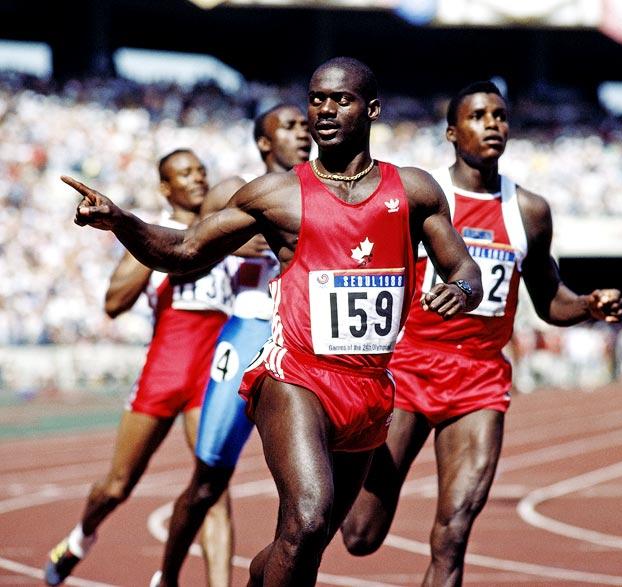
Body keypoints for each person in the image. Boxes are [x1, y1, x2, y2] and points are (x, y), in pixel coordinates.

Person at [62, 57, 484, 587]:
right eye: (316, 99)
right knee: (307, 519)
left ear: (372, 110)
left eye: (341, 100)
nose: (324, 110)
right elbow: (187, 248)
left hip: (371, 386)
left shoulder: (416, 191)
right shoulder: (279, 196)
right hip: (295, 378)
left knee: (308, 541)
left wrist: (462, 289)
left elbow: (463, 265)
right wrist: (121, 221)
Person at [340, 80, 622, 586]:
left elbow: (549, 299)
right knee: (360, 535)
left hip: (478, 381)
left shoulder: (529, 211)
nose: (493, 124)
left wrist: (586, 305)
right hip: (408, 369)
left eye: (500, 115)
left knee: (452, 535)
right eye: (478, 116)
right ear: (452, 132)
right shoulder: (424, 197)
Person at [44, 149, 234, 586]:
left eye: (201, 170)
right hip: (163, 374)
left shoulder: (227, 230)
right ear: (165, 188)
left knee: (213, 489)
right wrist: (157, 250)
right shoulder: (152, 234)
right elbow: (113, 303)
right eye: (184, 173)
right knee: (116, 486)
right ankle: (80, 536)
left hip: (210, 377)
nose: (197, 179)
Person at [150, 104, 312, 587]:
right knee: (207, 483)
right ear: (264, 142)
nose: (302, 133)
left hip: (303, 341)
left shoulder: (325, 190)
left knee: (307, 498)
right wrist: (235, 242)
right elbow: (188, 243)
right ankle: (169, 576)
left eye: (305, 125)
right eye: (288, 127)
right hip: (246, 332)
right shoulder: (233, 190)